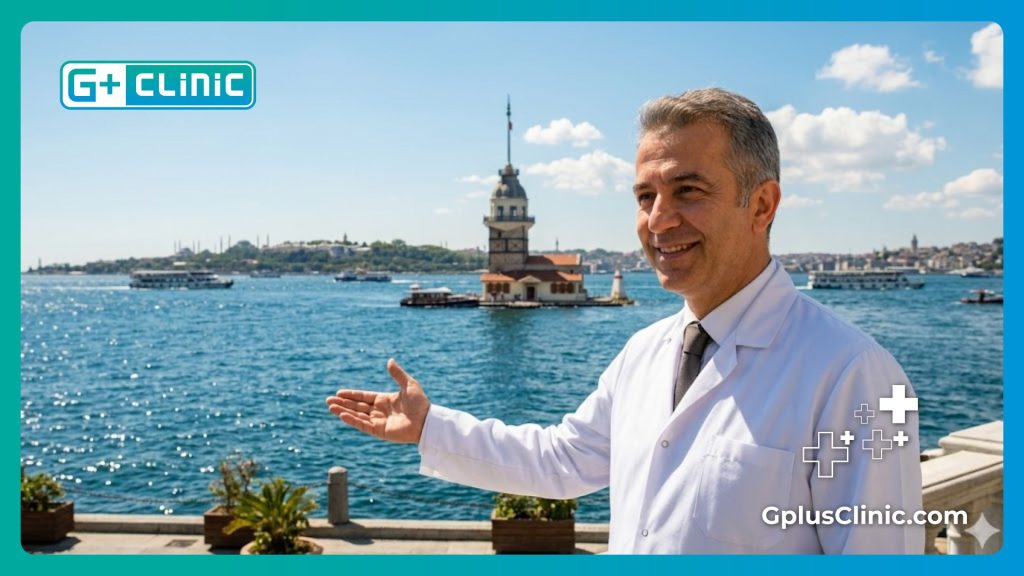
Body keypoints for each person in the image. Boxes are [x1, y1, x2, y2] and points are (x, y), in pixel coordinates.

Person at [326, 88, 924, 554]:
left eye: (688, 190)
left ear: (761, 205)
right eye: (644, 196)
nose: (658, 221)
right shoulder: (645, 351)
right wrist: (430, 429)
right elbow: (565, 461)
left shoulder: (856, 375)